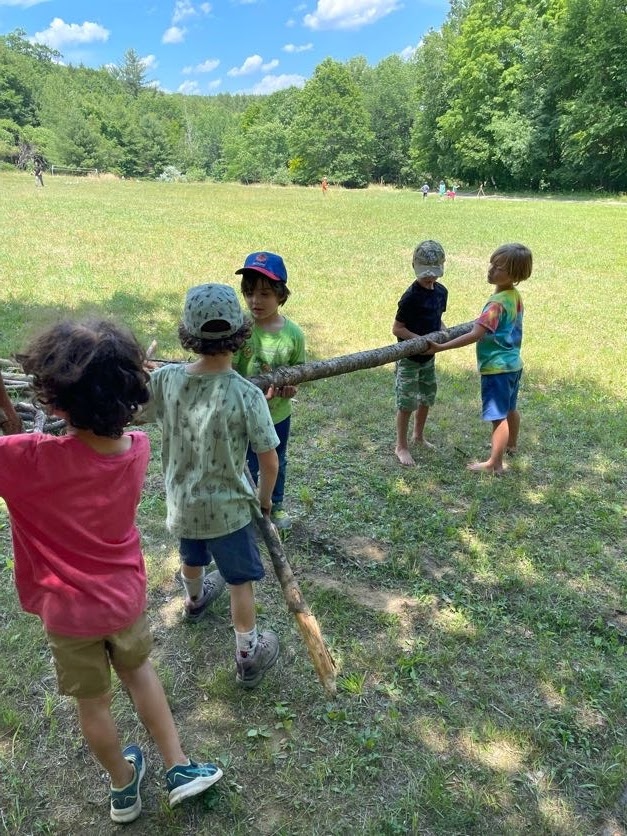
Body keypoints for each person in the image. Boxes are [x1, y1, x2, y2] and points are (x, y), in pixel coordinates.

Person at [0, 319, 223, 824]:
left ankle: (124, 787)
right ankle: (179, 767)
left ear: (55, 403)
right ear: (129, 395)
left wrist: (15, 425)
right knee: (140, 674)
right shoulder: (135, 450)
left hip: (67, 615)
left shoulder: (22, 459)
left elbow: (28, 454)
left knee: (93, 704)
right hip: (122, 600)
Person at [141, 284, 281, 689]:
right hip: (231, 510)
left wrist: (141, 377)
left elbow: (137, 411)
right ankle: (247, 654)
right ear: (240, 332)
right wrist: (264, 500)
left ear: (188, 334)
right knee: (240, 581)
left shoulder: (165, 380)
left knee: (192, 555)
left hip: (183, 505)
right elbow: (268, 460)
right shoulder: (247, 393)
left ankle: (195, 599)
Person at [424, 243, 533, 475]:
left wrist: (441, 347)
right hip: (513, 365)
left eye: (499, 268)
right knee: (511, 408)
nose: (491, 270)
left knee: (498, 417)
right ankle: (510, 444)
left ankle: (495, 463)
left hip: (496, 369)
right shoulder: (513, 296)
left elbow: (475, 334)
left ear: (514, 275)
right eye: (492, 264)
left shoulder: (495, 305)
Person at [233, 251, 306, 531]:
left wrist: (290, 388)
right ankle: (246, 508)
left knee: (277, 460)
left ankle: (274, 505)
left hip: (277, 415)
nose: (255, 301)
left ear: (281, 295)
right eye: (249, 293)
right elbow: (233, 373)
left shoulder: (294, 335)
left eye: (264, 294)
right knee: (245, 461)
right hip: (243, 413)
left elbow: (298, 373)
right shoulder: (241, 331)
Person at [392, 240, 448, 467]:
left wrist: (444, 331)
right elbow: (397, 329)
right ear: (414, 266)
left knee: (426, 397)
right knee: (406, 402)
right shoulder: (410, 297)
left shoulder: (441, 292)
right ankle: (401, 446)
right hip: (409, 359)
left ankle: (418, 436)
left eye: (434, 273)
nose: (430, 278)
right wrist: (422, 342)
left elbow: (437, 319)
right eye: (425, 273)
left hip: (429, 358)